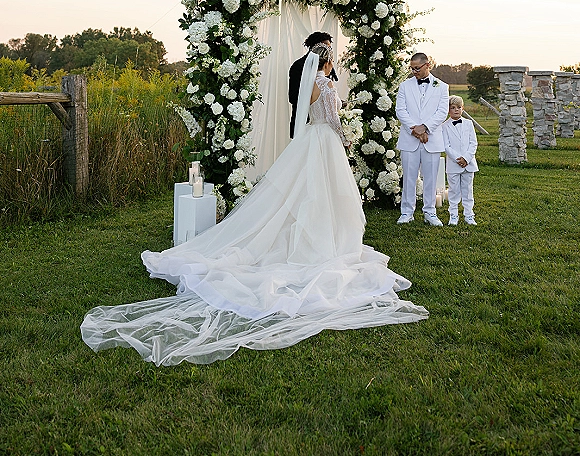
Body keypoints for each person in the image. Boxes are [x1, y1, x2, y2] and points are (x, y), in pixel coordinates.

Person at [81, 43, 427, 366]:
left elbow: (307, 116)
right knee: (325, 195)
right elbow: (332, 119)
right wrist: (346, 137)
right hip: (326, 143)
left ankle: (310, 237)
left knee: (305, 193)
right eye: (331, 59)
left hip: (309, 141)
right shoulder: (329, 86)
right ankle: (327, 243)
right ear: (327, 62)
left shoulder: (310, 85)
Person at [395, 53, 449, 226]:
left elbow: (442, 112)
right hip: (410, 139)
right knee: (409, 178)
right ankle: (407, 212)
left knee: (431, 178)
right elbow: (400, 111)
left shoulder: (442, 87)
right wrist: (415, 130)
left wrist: (425, 127)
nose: (414, 72)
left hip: (431, 139)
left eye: (417, 68)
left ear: (428, 65)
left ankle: (430, 212)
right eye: (411, 68)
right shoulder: (404, 86)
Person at [288, 31, 338, 138]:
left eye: (330, 48)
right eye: (326, 47)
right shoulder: (298, 66)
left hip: (325, 130)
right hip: (303, 123)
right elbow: (293, 97)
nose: (328, 51)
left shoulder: (326, 65)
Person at [442, 95, 478, 226]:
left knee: (468, 190)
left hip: (469, 163)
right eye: (452, 108)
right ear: (448, 110)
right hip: (453, 164)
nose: (456, 110)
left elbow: (473, 143)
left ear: (463, 109)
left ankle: (469, 215)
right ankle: (453, 214)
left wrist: (466, 158)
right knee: (454, 190)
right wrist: (458, 159)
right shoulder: (444, 126)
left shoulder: (469, 124)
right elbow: (446, 146)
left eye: (459, 107)